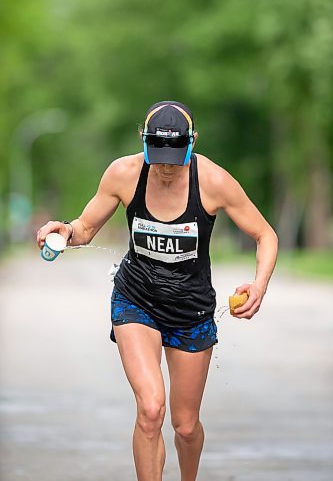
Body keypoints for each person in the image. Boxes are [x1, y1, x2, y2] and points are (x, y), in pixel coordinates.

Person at [37, 100, 278, 481]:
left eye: (175, 157)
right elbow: (84, 228)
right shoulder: (123, 173)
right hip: (136, 300)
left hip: (191, 310)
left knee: (185, 426)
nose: (166, 166)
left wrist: (260, 284)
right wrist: (64, 231)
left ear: (192, 143)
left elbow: (265, 234)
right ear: (143, 141)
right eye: (158, 155)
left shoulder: (214, 181)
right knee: (151, 410)